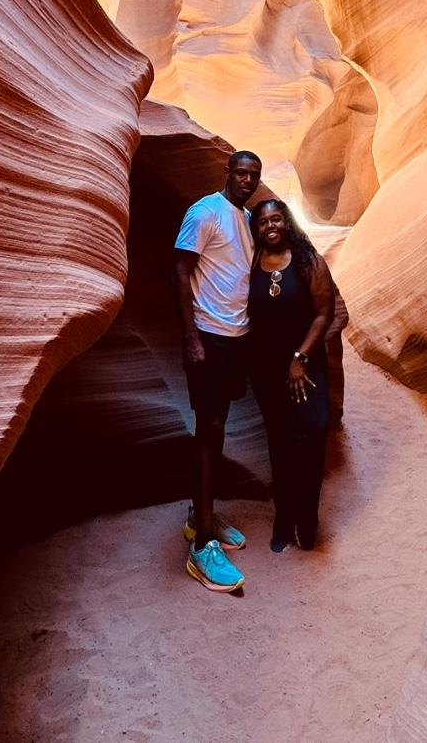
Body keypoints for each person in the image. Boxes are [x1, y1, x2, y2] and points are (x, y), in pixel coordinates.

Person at [173, 149, 263, 593]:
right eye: (241, 172)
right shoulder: (205, 211)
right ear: (226, 172)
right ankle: (202, 546)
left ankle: (199, 515)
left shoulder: (246, 219)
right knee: (207, 431)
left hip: (235, 339)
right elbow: (180, 270)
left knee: (217, 426)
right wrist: (190, 338)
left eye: (254, 175)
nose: (247, 180)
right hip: (208, 337)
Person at [247, 198, 334, 552]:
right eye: (264, 221)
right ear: (257, 228)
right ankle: (284, 519)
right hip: (266, 369)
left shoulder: (308, 261)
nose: (271, 226)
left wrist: (300, 357)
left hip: (306, 365)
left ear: (287, 223)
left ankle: (307, 518)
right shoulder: (252, 262)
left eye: (277, 219)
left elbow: (324, 313)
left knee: (313, 435)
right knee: (279, 442)